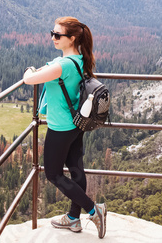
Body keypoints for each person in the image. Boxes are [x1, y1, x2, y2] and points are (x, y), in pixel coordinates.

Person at [23, 16, 107, 238]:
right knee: (75, 167)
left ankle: (93, 210)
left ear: (71, 39)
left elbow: (29, 80)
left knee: (54, 174)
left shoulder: (61, 66)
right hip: (76, 123)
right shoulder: (79, 60)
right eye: (52, 33)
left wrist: (29, 71)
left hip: (60, 127)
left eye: (58, 35)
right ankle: (73, 218)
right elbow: (53, 69)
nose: (53, 38)